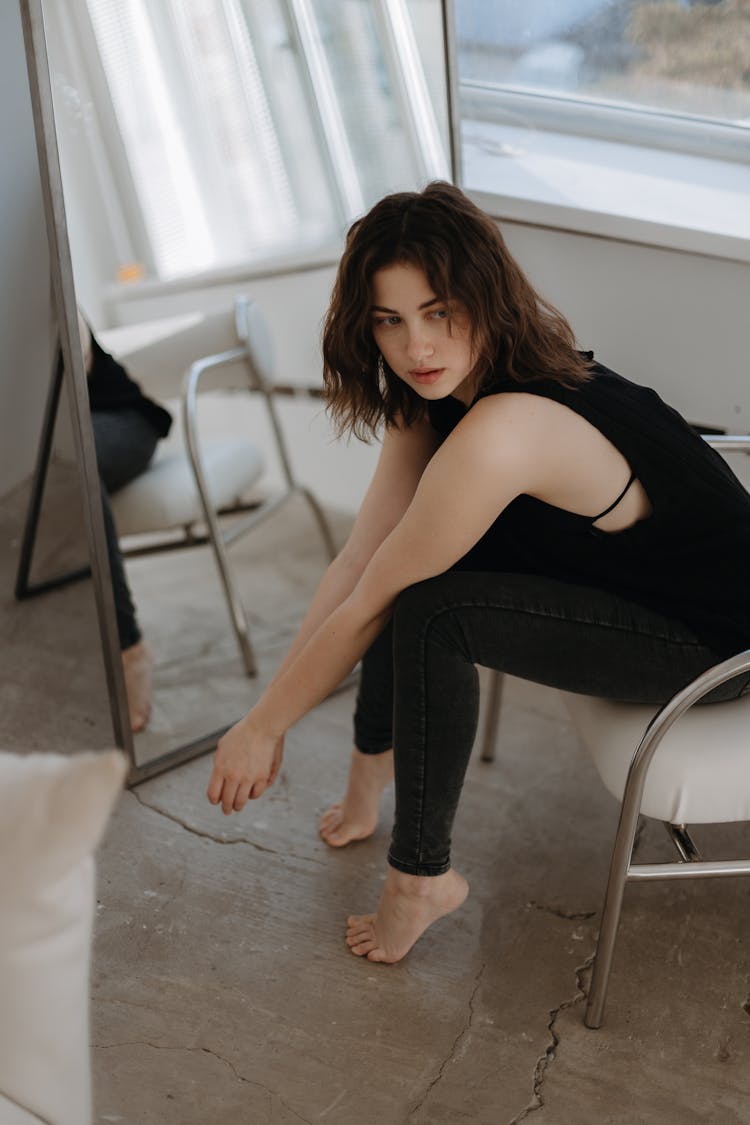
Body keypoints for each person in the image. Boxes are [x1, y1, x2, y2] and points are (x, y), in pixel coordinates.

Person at [206, 181, 750, 963]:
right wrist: (270, 723)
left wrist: (263, 727)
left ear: (485, 297)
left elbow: (378, 597)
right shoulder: (439, 393)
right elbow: (359, 563)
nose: (415, 347)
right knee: (401, 568)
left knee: (429, 604)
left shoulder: (505, 427)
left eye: (438, 311)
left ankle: (420, 879)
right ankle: (369, 787)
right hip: (633, 586)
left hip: (716, 642)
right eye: (389, 321)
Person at [78, 311, 172, 732]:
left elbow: (70, 372)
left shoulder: (32, 271)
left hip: (122, 421)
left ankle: (128, 648)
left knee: (71, 463)